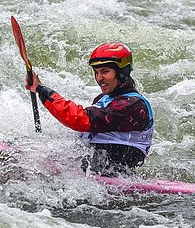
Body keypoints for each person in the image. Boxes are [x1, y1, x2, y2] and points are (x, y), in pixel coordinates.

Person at [25, 43, 153, 174]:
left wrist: (42, 91)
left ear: (122, 73)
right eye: (96, 72)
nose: (99, 78)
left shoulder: (133, 105)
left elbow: (79, 119)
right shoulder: (103, 99)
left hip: (114, 170)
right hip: (93, 164)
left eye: (105, 72)